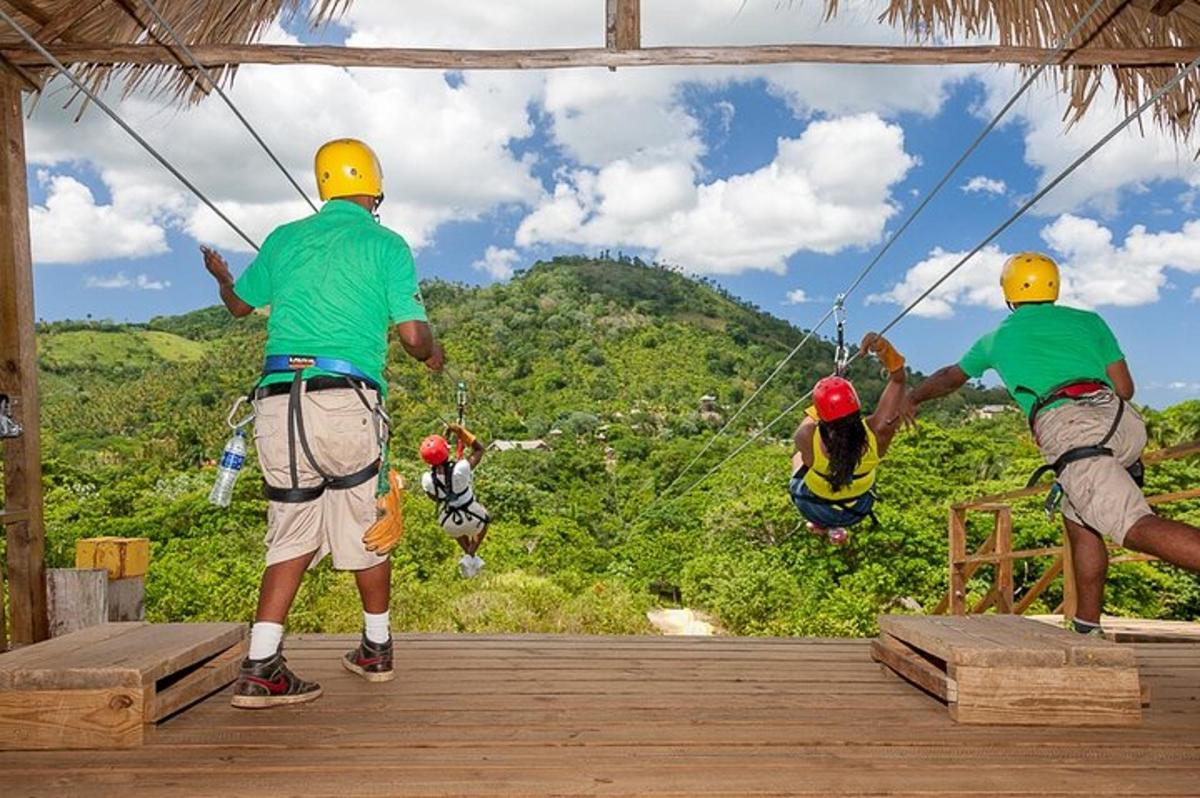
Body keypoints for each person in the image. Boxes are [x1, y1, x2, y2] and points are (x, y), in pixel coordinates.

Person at [201, 138, 444, 708]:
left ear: (323, 185)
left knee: (289, 528)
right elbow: (413, 336)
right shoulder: (386, 244)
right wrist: (433, 353)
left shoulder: (285, 238)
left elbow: (239, 306)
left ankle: (262, 666)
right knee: (369, 522)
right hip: (345, 401)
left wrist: (221, 275)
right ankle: (375, 649)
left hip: (278, 402)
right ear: (375, 187)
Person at [905, 252, 1200, 634]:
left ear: (1008, 293)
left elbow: (949, 377)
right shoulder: (1089, 321)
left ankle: (1088, 623)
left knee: (1133, 525)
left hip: (1072, 428)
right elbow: (1125, 388)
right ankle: (1086, 626)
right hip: (1120, 422)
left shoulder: (997, 337)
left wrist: (912, 398)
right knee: (1082, 520)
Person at [789, 333, 908, 545]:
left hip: (813, 506)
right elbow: (899, 381)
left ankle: (823, 525)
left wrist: (828, 388)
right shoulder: (879, 432)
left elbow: (812, 417)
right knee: (828, 467)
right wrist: (884, 350)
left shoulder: (806, 436)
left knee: (799, 457)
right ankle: (834, 527)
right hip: (857, 509)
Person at [419, 423, 491, 577]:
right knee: (485, 517)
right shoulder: (461, 469)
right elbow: (479, 449)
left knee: (457, 527)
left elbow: (434, 498)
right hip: (473, 517)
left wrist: (446, 436)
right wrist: (461, 432)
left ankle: (468, 556)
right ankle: (471, 553)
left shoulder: (427, 479)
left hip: (450, 523)